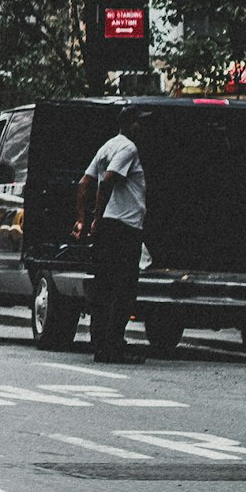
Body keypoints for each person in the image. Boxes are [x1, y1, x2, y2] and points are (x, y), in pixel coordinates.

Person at [76, 126, 149, 363]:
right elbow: (107, 181)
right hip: (124, 227)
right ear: (131, 126)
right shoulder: (128, 148)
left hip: (108, 228)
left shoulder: (107, 146)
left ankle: (99, 342)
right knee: (124, 289)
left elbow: (83, 183)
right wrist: (97, 215)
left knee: (104, 287)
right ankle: (113, 346)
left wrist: (81, 220)